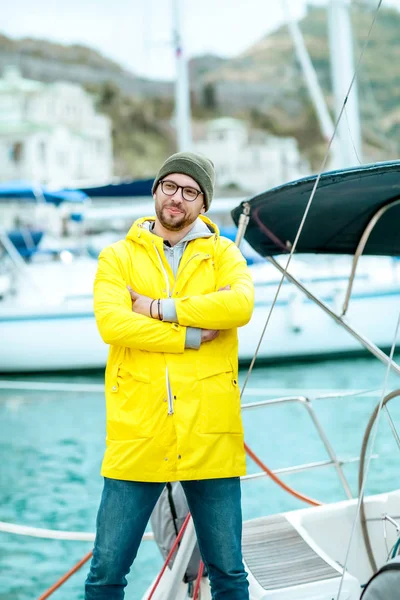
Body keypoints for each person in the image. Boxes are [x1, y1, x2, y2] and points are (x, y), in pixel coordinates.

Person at [85, 151, 255, 600]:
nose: (177, 198)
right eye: (170, 186)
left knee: (229, 574)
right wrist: (191, 336)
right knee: (105, 575)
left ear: (203, 203)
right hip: (137, 434)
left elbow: (238, 307)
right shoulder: (116, 257)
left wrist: (158, 309)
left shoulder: (225, 255)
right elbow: (113, 325)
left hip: (209, 433)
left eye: (190, 191)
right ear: (156, 190)